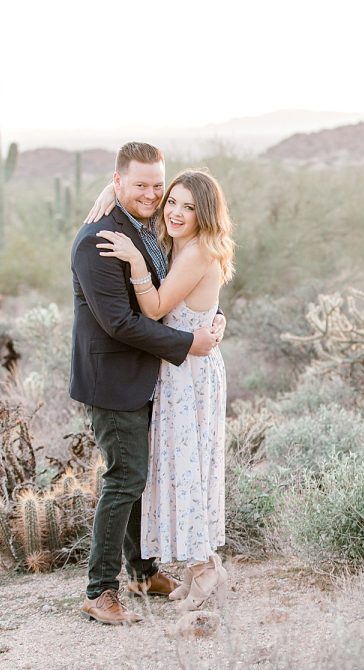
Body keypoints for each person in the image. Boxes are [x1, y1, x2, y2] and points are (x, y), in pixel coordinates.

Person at [70, 142, 226, 625]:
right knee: (126, 479)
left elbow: (188, 284)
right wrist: (188, 344)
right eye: (141, 185)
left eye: (158, 186)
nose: (154, 196)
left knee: (142, 478)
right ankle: (100, 591)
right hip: (114, 380)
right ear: (118, 182)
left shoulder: (150, 228)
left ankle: (141, 571)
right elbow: (121, 323)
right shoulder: (98, 240)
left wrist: (212, 318)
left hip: (153, 377)